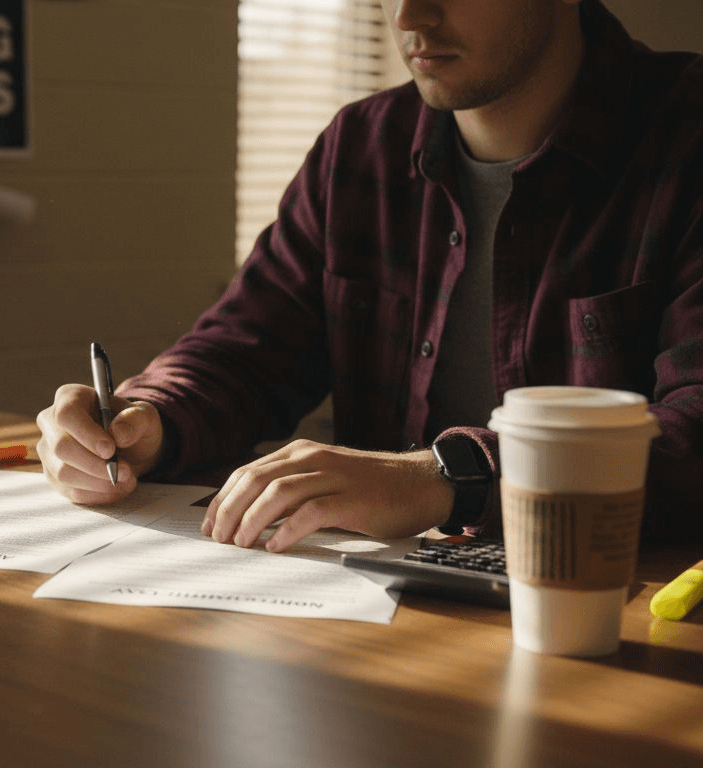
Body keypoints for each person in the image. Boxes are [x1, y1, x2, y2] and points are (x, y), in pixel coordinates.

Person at [37, 0, 703, 552]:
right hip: (383, 618)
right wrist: (149, 417)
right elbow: (246, 348)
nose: (409, 15)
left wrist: (444, 479)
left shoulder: (686, 138)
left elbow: (694, 432)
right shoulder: (361, 146)